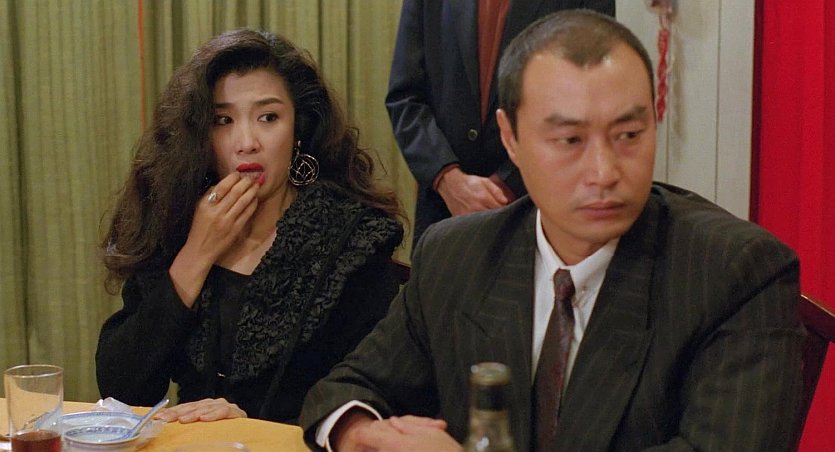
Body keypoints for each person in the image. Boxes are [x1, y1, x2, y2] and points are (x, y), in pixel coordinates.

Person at [300, 10, 805, 451]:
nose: (604, 171)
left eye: (629, 134)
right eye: (569, 140)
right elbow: (346, 389)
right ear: (511, 138)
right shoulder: (457, 254)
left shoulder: (736, 272)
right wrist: (362, 434)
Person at [95, 29, 404, 424]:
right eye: (223, 120)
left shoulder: (352, 239)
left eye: (268, 117)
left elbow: (369, 399)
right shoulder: (176, 222)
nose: (245, 142)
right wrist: (197, 253)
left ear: (298, 130)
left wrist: (250, 424)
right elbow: (121, 389)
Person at [386, 0, 615, 246]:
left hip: (538, 213)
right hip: (443, 212)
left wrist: (505, 186)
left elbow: (587, 96)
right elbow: (405, 98)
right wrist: (448, 179)